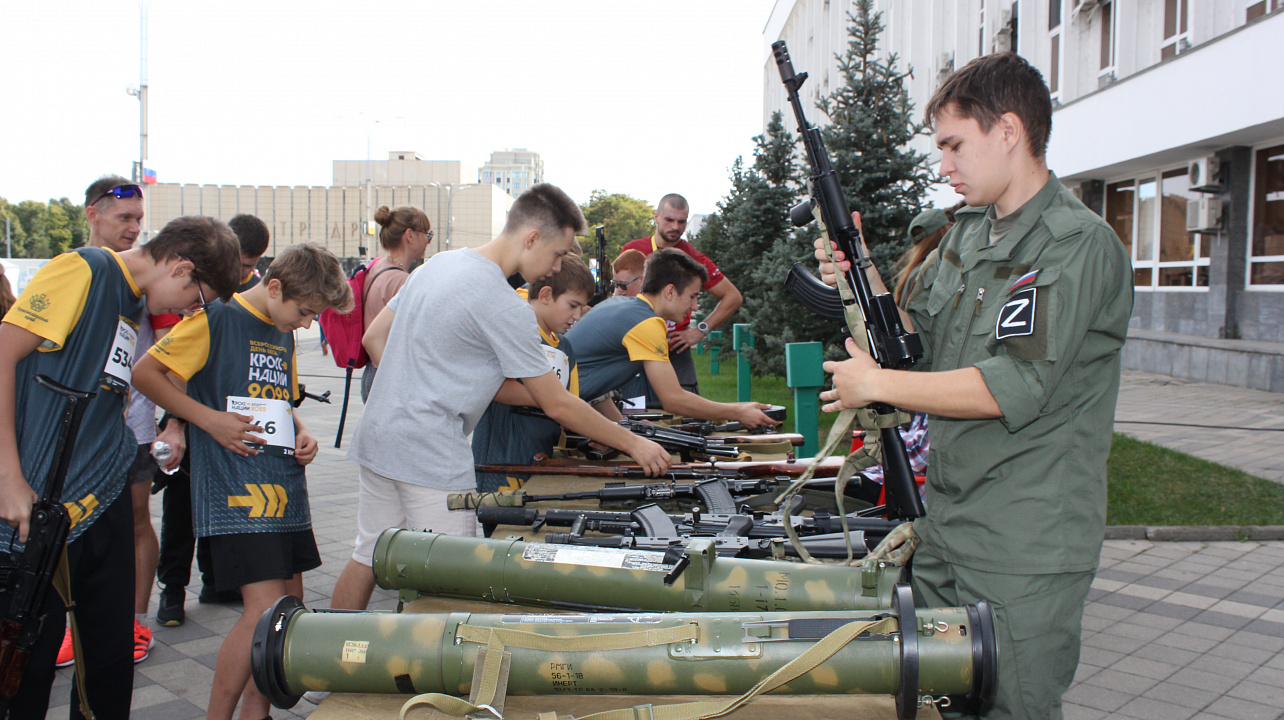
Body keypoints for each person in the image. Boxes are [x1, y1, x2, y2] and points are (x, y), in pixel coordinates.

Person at [816, 52, 1133, 719]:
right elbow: (910, 338)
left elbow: (1010, 384)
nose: (944, 165)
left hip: (1022, 546)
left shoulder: (1073, 244)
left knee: (1008, 710)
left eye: (954, 144)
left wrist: (879, 385)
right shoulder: (969, 238)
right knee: (933, 706)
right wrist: (858, 269)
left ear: (1010, 132)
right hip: (951, 530)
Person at [327, 183, 671, 619]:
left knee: (369, 554)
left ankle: (322, 675)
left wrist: (433, 381)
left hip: (380, 436)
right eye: (557, 253)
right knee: (451, 582)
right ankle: (432, 679)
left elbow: (375, 338)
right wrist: (635, 444)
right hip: (431, 454)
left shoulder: (439, 264)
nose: (555, 267)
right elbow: (557, 404)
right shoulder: (503, 304)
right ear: (531, 238)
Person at [0, 214, 240, 719]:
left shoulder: (133, 304)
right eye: (196, 299)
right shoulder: (84, 271)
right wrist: (9, 478)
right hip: (40, 506)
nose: (190, 311)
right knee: (27, 662)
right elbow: (3, 356)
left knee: (108, 660)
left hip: (99, 493)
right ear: (180, 267)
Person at [133, 242, 353, 720]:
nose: (307, 323)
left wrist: (303, 431)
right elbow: (146, 373)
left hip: (284, 487)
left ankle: (258, 714)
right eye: (304, 311)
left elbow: (279, 400)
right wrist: (206, 420)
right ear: (274, 287)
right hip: (236, 491)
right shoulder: (217, 318)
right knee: (264, 614)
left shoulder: (282, 329)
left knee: (286, 614)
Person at [153, 213, 273, 628]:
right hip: (191, 416)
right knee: (182, 507)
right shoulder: (196, 289)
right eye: (237, 262)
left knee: (221, 502)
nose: (240, 272)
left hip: (232, 421)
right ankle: (171, 590)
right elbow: (170, 370)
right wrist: (176, 423)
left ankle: (217, 581)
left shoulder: (250, 292)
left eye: (248, 266)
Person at [567, 248, 777, 429]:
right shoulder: (647, 323)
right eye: (692, 296)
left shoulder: (621, 306)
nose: (694, 306)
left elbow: (593, 382)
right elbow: (673, 399)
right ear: (669, 292)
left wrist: (624, 427)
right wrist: (738, 411)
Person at [473, 256, 600, 493]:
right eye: (572, 306)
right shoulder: (511, 330)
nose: (577, 316)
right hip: (500, 462)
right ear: (545, 295)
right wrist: (548, 398)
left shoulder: (565, 348)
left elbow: (570, 409)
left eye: (582, 308)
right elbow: (494, 387)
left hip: (541, 460)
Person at [621, 194, 741, 394]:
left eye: (681, 221)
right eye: (669, 220)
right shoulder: (632, 250)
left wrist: (700, 330)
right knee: (632, 415)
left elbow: (733, 297)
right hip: (636, 347)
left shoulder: (693, 257)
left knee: (688, 417)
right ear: (656, 217)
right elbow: (618, 295)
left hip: (675, 348)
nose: (675, 227)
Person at [360, 205, 432, 402]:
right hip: (389, 375)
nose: (428, 241)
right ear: (410, 235)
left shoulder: (377, 267)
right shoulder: (401, 281)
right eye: (427, 234)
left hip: (372, 372)